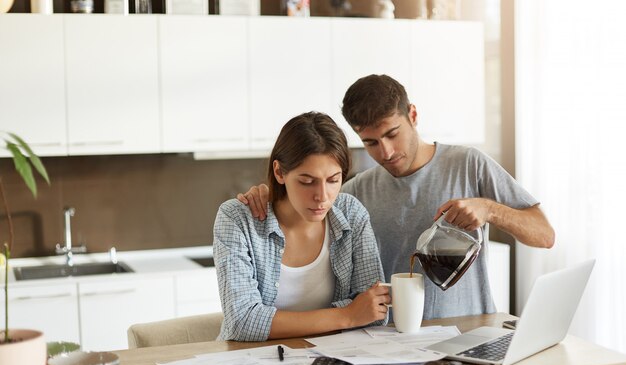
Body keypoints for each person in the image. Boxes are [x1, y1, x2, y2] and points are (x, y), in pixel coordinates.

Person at [238, 74, 555, 321]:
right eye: (371, 142)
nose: (385, 152)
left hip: (470, 331)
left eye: (392, 134)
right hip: (393, 342)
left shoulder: (469, 164)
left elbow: (545, 236)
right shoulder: (358, 191)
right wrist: (269, 193)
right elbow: (308, 200)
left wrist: (490, 210)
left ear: (413, 115)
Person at [214, 111, 390, 342]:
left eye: (333, 180)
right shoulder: (237, 219)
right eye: (307, 182)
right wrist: (347, 316)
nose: (322, 196)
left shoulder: (351, 213)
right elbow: (242, 321)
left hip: (330, 360)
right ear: (279, 172)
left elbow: (375, 311)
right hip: (251, 363)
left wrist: (270, 321)